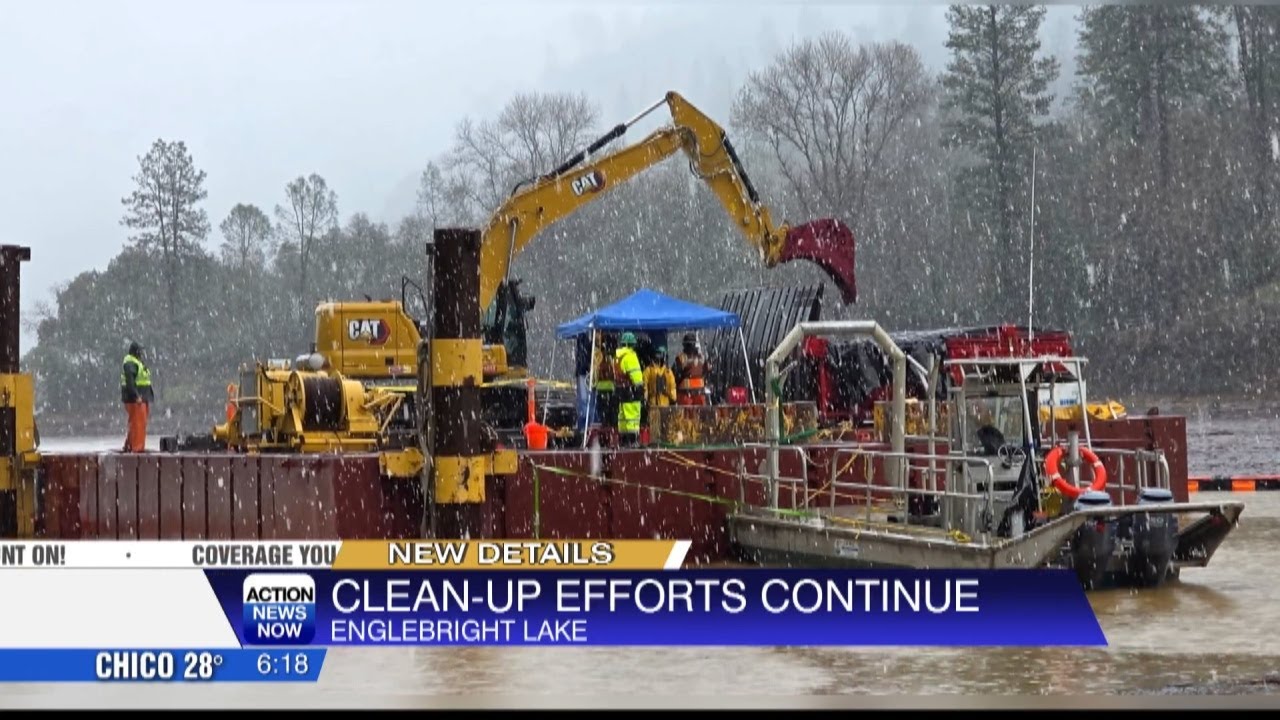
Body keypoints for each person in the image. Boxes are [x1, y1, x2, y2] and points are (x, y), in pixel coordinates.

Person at [120, 341, 154, 453]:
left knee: (135, 423)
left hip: (141, 398)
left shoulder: (135, 362)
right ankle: (137, 448)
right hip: (137, 399)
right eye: (140, 351)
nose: (142, 354)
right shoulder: (131, 363)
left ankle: (130, 445)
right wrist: (136, 396)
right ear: (136, 352)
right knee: (138, 424)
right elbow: (130, 382)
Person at [615, 331, 645, 446]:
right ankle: (632, 440)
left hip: (621, 390)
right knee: (633, 416)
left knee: (623, 416)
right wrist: (640, 388)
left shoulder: (617, 356)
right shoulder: (630, 356)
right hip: (631, 391)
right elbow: (636, 377)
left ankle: (624, 440)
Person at [643, 345, 677, 429]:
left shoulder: (649, 370)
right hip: (661, 405)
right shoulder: (668, 372)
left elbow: (645, 389)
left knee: (658, 429)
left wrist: (645, 400)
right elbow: (673, 393)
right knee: (663, 429)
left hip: (656, 405)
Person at [673, 332, 710, 406]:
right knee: (698, 415)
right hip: (698, 393)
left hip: (687, 395)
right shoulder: (702, 358)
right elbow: (707, 371)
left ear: (684, 345)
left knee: (687, 416)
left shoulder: (681, 358)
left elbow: (675, 375)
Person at [593, 333, 620, 431]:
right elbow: (613, 373)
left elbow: (596, 371)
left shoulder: (599, 356)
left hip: (601, 388)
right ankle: (611, 429)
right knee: (611, 412)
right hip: (610, 388)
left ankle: (606, 428)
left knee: (604, 413)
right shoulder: (612, 359)